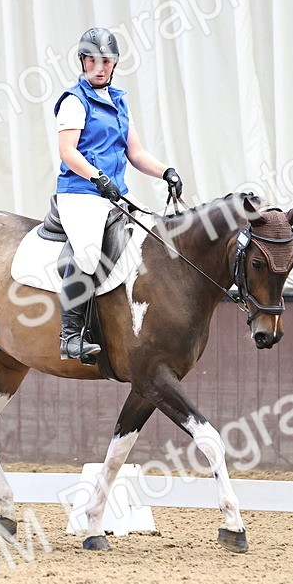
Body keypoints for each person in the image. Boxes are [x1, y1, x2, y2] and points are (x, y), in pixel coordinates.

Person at [53, 27, 183, 361]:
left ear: (114, 64)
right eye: (93, 60)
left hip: (113, 193)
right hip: (80, 193)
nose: (100, 67)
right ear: (83, 62)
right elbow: (67, 151)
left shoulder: (120, 101)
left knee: (155, 233)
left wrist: (166, 170)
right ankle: (70, 337)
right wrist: (97, 177)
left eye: (106, 61)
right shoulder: (74, 101)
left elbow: (135, 153)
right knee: (87, 252)